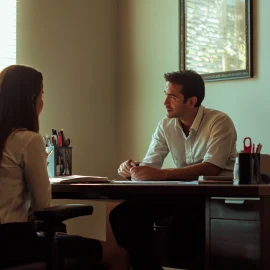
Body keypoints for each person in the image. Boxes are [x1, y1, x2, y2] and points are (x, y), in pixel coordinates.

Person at [0, 65, 128, 270]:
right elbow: (42, 206)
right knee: (117, 254)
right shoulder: (27, 140)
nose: (43, 101)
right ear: (31, 98)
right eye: (42, 94)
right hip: (13, 244)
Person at [110, 70, 237, 270]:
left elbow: (211, 168)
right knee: (123, 215)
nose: (165, 102)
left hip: (214, 196)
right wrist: (132, 169)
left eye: (172, 97)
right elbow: (150, 166)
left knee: (181, 231)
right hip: (183, 194)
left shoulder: (219, 122)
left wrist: (161, 174)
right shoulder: (165, 126)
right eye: (165, 95)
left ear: (191, 101)